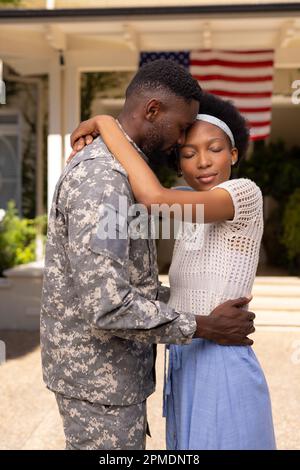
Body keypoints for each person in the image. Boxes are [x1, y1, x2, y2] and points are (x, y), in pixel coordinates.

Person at [41, 60, 255, 451]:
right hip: (99, 380)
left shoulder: (131, 181)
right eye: (181, 134)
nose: (180, 144)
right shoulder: (105, 179)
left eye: (212, 148)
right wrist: (201, 325)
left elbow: (138, 281)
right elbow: (108, 306)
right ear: (153, 111)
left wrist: (105, 123)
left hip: (125, 376)